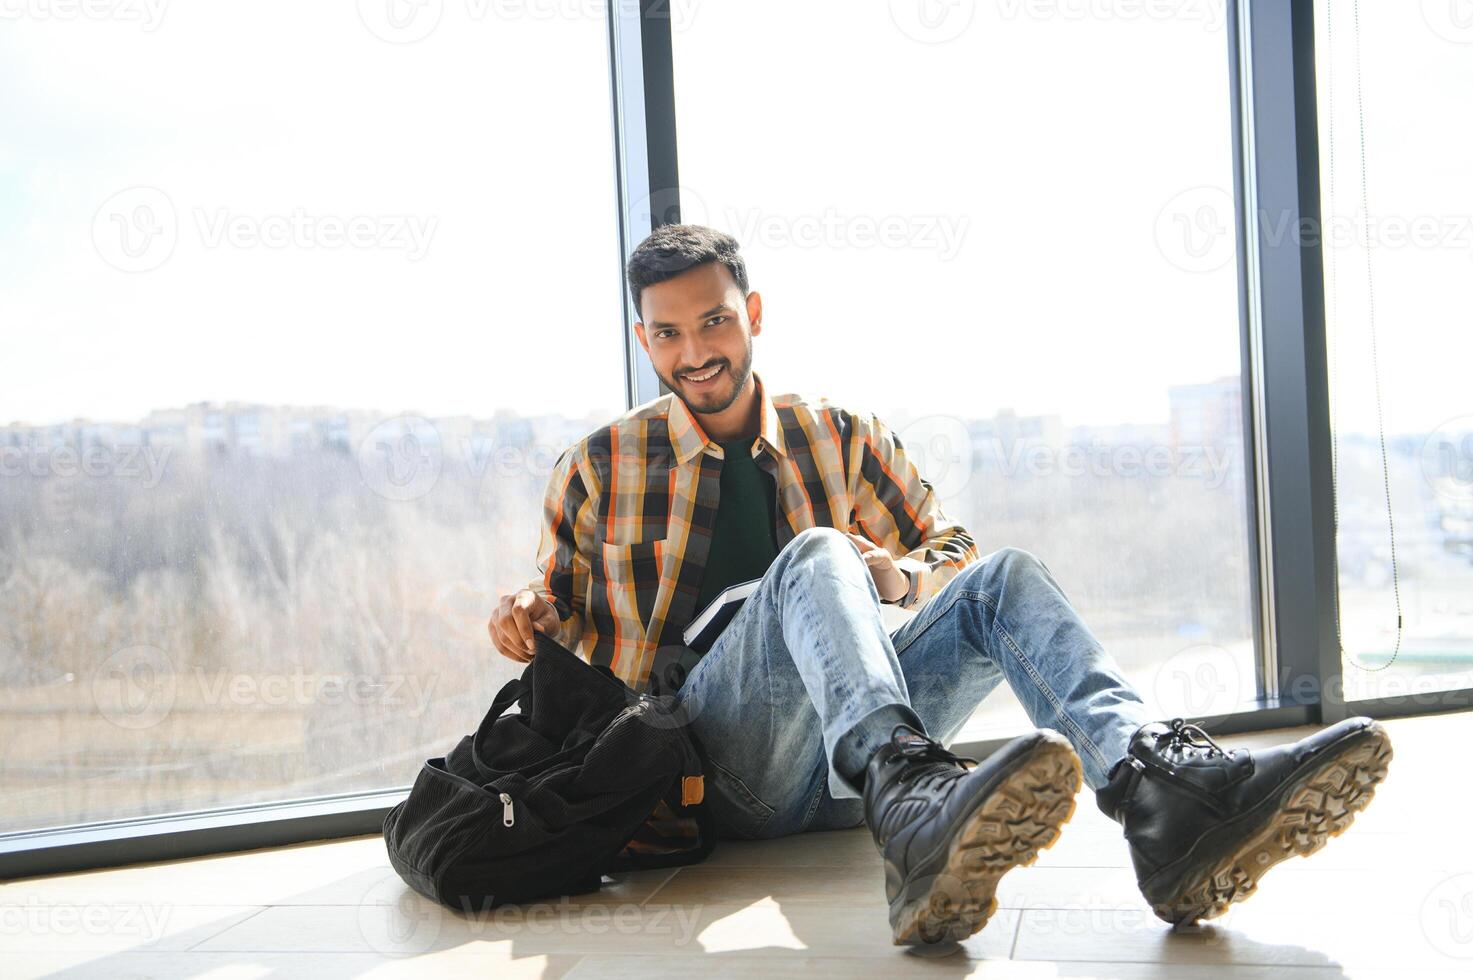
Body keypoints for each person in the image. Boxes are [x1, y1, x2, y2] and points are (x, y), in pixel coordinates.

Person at [489, 224, 1394, 947]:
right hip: (717, 772)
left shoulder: (838, 433)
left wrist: (903, 570)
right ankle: (909, 797)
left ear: (753, 311)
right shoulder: (601, 465)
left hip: (850, 771)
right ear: (643, 338)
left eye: (714, 321)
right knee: (814, 552)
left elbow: (950, 543)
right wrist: (525, 613)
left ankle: (1159, 795)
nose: (695, 351)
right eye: (669, 332)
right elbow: (557, 603)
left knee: (1003, 577)